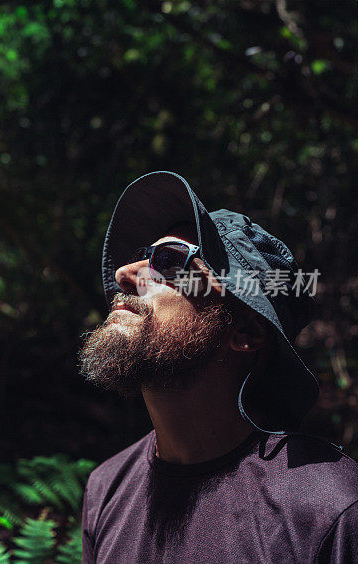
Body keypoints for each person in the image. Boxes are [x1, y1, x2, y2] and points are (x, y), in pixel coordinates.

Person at [79, 171, 358, 563]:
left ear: (243, 330)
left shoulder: (328, 509)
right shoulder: (106, 487)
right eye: (137, 258)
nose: (125, 275)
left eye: (171, 259)